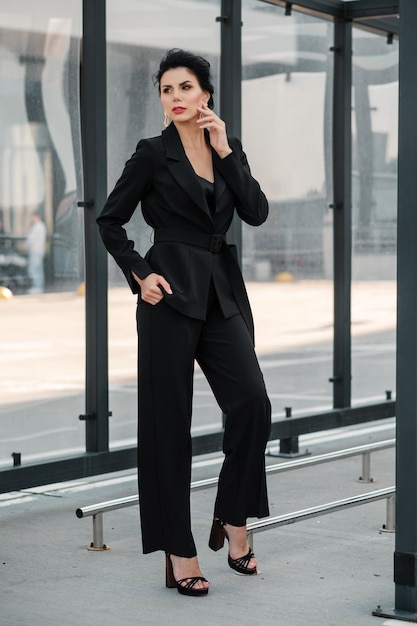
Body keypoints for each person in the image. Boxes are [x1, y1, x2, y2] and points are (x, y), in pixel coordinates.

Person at [97, 48, 271, 597]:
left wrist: (227, 152)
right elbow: (110, 220)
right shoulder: (151, 154)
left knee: (252, 403)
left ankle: (233, 517)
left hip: (221, 293)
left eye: (186, 88)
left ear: (206, 94)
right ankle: (180, 550)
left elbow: (257, 211)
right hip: (168, 296)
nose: (175, 98)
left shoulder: (227, 148)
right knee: (167, 427)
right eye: (167, 90)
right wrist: (139, 274)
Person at [25, 211, 47, 294]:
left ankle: (37, 287)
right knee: (38, 269)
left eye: (32, 217)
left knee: (34, 269)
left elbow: (30, 240)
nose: (31, 219)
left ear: (36, 216)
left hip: (35, 251)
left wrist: (25, 245)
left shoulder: (37, 226)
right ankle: (38, 287)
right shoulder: (41, 226)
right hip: (39, 251)